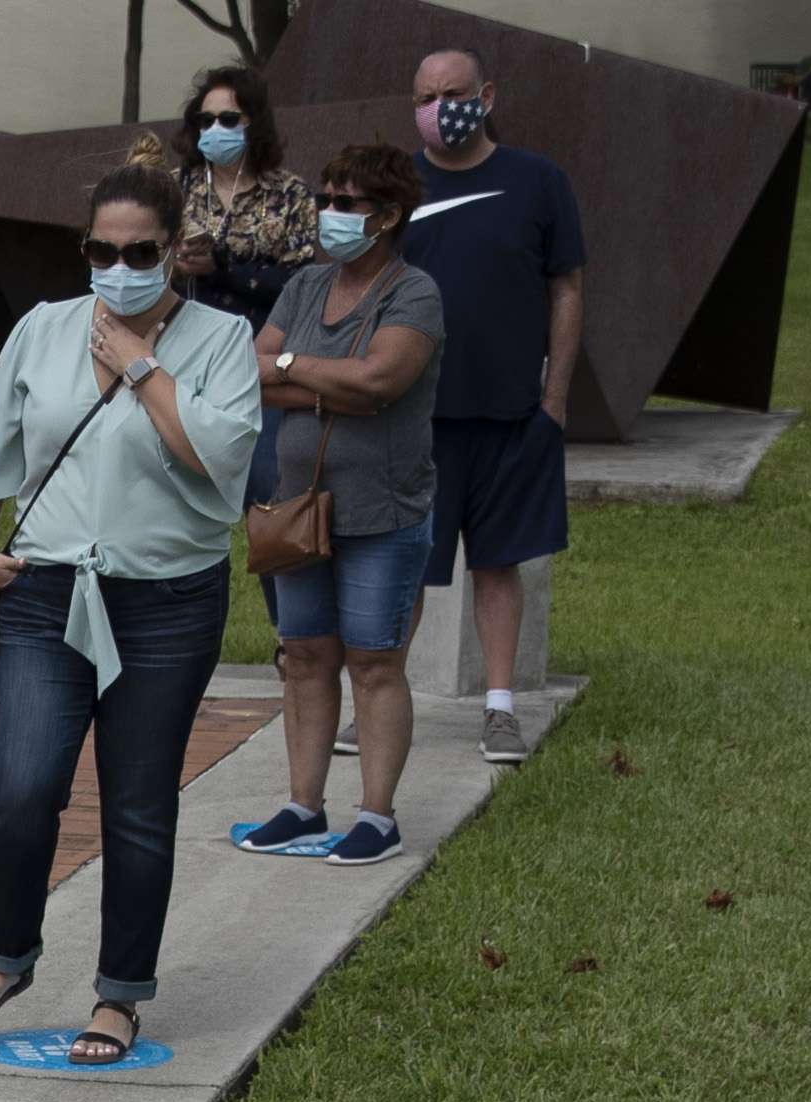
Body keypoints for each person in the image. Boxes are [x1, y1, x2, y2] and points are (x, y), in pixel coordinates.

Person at [0, 162, 259, 1070]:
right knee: (24, 791)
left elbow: (215, 459)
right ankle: (8, 960)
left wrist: (141, 367)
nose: (118, 267)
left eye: (139, 251)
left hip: (166, 604)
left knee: (138, 805)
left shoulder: (221, 339)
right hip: (44, 593)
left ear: (173, 249)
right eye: (102, 251)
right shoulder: (40, 330)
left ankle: (119, 995)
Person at [237, 145, 445, 868]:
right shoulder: (302, 287)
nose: (328, 213)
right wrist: (326, 380)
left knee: (373, 662)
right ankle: (302, 805)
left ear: (386, 215)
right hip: (296, 509)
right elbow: (248, 373)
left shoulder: (411, 292)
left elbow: (381, 379)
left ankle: (376, 817)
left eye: (345, 202)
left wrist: (292, 368)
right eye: (326, 197)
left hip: (381, 512)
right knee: (302, 656)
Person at [401, 46, 583, 767]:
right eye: (424, 94)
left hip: (511, 412)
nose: (439, 105)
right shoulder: (392, 185)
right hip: (411, 417)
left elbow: (565, 287)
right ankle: (380, 699)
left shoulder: (537, 181)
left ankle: (500, 709)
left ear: (487, 95)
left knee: (498, 563)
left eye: (453, 91)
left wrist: (555, 399)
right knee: (404, 564)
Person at [168, 65, 318, 338]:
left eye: (228, 119)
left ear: (254, 123)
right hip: (179, 336)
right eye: (206, 120)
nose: (215, 128)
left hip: (256, 341)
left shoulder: (290, 194)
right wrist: (173, 261)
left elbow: (301, 286)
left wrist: (221, 269)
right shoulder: (174, 186)